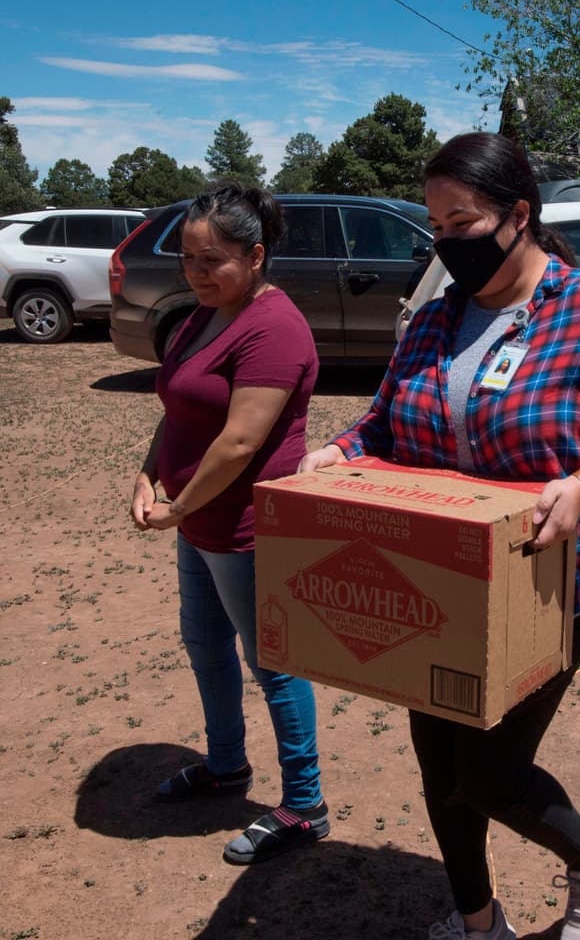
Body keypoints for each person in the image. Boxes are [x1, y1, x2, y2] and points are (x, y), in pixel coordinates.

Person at [298, 132, 580, 940]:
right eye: (436, 228)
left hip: (549, 585)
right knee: (438, 768)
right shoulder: (432, 321)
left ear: (519, 216)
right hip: (432, 576)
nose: (447, 244)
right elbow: (386, 421)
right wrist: (340, 451)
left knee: (489, 773)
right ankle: (477, 920)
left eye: (463, 223)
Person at [130, 182, 327, 865]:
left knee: (272, 662)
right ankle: (226, 765)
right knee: (204, 645)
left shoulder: (274, 326)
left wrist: (179, 506)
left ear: (257, 255)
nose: (197, 273)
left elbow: (241, 441)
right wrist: (149, 473)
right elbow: (179, 407)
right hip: (195, 523)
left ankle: (304, 804)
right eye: (187, 258)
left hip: (248, 528)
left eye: (213, 260)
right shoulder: (199, 315)